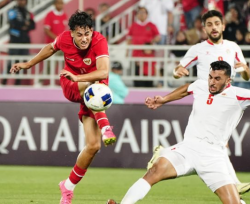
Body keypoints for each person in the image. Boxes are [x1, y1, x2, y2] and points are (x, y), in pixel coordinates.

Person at [10, 11, 116, 204]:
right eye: (79, 34)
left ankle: (67, 187)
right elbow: (49, 49)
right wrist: (28, 64)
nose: (84, 39)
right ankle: (106, 127)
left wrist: (81, 77)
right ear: (72, 34)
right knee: (92, 88)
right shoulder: (64, 39)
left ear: (91, 31)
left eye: (87, 34)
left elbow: (103, 70)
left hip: (93, 95)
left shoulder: (99, 41)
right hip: (72, 85)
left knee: (93, 146)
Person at [111, 60, 248, 204]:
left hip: (213, 156)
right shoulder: (201, 85)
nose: (212, 82)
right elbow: (187, 89)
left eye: (217, 79)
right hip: (187, 149)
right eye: (210, 77)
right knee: (154, 171)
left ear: (228, 80)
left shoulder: (238, 95)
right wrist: (164, 100)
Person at [171, 9, 250, 196]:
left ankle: (232, 183)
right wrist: (177, 72)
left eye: (216, 23)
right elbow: (179, 68)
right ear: (204, 28)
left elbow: (246, 75)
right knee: (218, 142)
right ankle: (233, 183)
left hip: (226, 98)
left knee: (220, 142)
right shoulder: (198, 49)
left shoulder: (233, 47)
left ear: (223, 25)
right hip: (206, 99)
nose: (213, 27)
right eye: (209, 24)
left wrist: (246, 69)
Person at [2, 0, 35, 85]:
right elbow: (14, 23)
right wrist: (24, 24)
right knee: (10, 63)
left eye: (23, 0)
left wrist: (24, 25)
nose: (22, 1)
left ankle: (17, 84)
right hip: (14, 41)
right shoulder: (12, 11)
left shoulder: (28, 13)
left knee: (21, 64)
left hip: (24, 42)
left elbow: (33, 25)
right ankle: (4, 83)